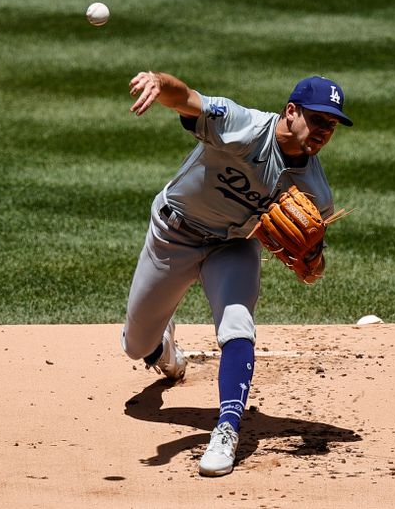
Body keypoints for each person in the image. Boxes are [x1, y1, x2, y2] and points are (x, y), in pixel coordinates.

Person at [121, 71, 353, 477]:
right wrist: (160, 83)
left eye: (330, 125)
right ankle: (164, 349)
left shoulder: (317, 190)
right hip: (173, 234)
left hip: (232, 246)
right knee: (135, 345)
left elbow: (315, 268)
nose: (323, 131)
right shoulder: (243, 126)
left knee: (237, 325)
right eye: (317, 120)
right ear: (292, 111)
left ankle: (227, 429)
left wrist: (312, 259)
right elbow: (188, 99)